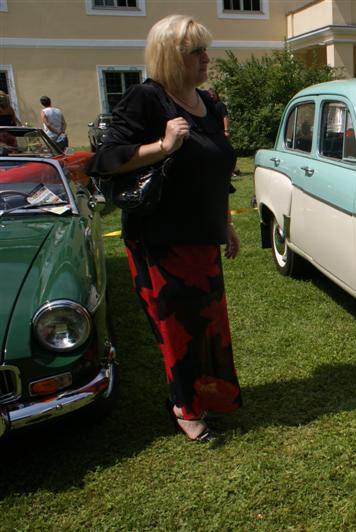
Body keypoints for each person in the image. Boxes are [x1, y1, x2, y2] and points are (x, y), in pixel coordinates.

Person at [87, 14, 242, 443]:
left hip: (202, 237)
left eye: (205, 50)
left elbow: (217, 171)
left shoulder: (207, 103)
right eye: (197, 52)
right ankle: (184, 407)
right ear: (173, 57)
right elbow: (104, 160)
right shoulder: (147, 99)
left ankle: (205, 394)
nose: (207, 58)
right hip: (161, 240)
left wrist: (226, 223)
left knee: (208, 325)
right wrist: (162, 146)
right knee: (177, 329)